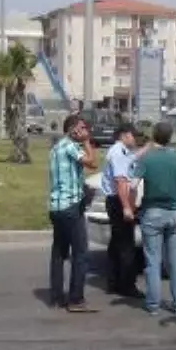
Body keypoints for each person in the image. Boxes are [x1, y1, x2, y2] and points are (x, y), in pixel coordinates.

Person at [134, 121, 176, 316]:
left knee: (152, 261)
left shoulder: (147, 159)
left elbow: (132, 185)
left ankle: (153, 304)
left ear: (154, 136)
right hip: (173, 212)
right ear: (170, 137)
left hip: (151, 212)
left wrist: (132, 206)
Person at [48, 114, 98, 312]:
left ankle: (56, 295)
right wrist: (87, 142)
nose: (86, 131)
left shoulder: (56, 147)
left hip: (56, 207)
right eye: (82, 128)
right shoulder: (70, 146)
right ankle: (76, 299)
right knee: (80, 253)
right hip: (70, 207)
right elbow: (92, 163)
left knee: (59, 252)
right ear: (72, 129)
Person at [101, 123, 145, 297]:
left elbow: (133, 158)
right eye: (134, 136)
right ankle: (127, 284)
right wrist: (127, 207)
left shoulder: (122, 152)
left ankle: (114, 281)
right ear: (125, 135)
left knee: (116, 243)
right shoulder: (118, 153)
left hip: (116, 201)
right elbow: (120, 182)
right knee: (126, 245)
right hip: (119, 201)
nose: (136, 139)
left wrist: (148, 148)